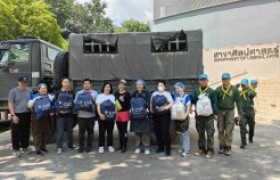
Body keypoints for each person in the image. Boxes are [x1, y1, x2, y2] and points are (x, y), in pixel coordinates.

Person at [215, 73, 243, 156]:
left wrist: (240, 114)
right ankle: (221, 146)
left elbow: (238, 102)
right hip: (220, 111)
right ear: (222, 79)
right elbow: (215, 102)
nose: (225, 80)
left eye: (227, 79)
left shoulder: (234, 90)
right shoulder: (218, 89)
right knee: (220, 129)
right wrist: (215, 113)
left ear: (230, 79)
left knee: (229, 129)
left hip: (230, 112)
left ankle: (227, 147)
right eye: (224, 79)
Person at [191, 74, 217, 158]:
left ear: (207, 80)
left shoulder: (212, 92)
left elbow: (214, 103)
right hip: (199, 117)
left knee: (210, 133)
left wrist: (213, 113)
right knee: (200, 133)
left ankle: (210, 150)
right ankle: (202, 149)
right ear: (199, 81)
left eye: (204, 79)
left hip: (209, 117)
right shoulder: (196, 91)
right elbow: (192, 100)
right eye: (201, 80)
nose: (203, 81)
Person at [28, 83, 54, 158]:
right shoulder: (34, 96)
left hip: (46, 117)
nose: (43, 90)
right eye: (41, 88)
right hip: (37, 118)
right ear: (38, 90)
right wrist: (34, 100)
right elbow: (29, 105)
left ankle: (43, 147)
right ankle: (38, 150)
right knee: (37, 133)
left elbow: (53, 105)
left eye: (45, 88)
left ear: (47, 89)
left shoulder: (50, 96)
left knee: (45, 133)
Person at [8, 76, 32, 157]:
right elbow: (10, 103)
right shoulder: (13, 91)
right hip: (17, 114)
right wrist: (13, 115)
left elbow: (31, 102)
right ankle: (16, 149)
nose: (24, 84)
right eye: (22, 82)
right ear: (18, 82)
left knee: (26, 131)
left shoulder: (29, 91)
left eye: (25, 82)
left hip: (27, 114)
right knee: (15, 132)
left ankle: (25, 147)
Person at [150, 80, 174, 156]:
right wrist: (151, 109)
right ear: (157, 86)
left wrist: (166, 108)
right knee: (157, 132)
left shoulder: (167, 94)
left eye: (162, 85)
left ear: (164, 86)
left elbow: (171, 103)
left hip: (165, 116)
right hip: (156, 115)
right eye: (159, 85)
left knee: (165, 132)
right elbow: (151, 102)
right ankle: (160, 147)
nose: (160, 87)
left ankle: (168, 149)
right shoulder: (154, 93)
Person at [74, 79, 98, 153]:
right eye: (85, 83)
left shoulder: (94, 93)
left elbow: (97, 104)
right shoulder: (79, 93)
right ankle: (81, 147)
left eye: (88, 83)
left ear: (91, 85)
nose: (87, 85)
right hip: (81, 116)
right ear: (83, 85)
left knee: (90, 132)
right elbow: (75, 103)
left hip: (91, 116)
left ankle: (89, 146)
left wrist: (92, 99)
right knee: (81, 132)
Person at [55, 77, 76, 155]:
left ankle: (70, 145)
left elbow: (73, 103)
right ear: (62, 83)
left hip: (69, 115)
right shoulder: (58, 92)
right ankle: (59, 147)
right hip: (60, 116)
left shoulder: (72, 92)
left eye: (67, 82)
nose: (66, 84)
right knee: (60, 132)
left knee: (70, 131)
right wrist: (58, 111)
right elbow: (55, 103)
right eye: (65, 82)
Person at [130, 80, 151, 155]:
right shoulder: (133, 94)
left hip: (144, 115)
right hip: (135, 115)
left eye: (141, 84)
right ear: (136, 86)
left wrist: (147, 109)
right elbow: (131, 104)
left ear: (143, 85)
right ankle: (138, 147)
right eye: (138, 84)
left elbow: (149, 103)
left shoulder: (147, 93)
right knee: (137, 131)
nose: (139, 86)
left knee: (145, 131)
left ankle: (146, 147)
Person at [172, 82, 191, 157]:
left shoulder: (186, 96)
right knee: (179, 133)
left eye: (179, 88)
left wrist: (185, 116)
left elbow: (188, 107)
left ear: (182, 88)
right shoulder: (175, 96)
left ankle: (187, 151)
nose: (177, 90)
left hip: (184, 118)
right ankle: (182, 148)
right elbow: (173, 106)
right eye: (176, 89)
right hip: (177, 118)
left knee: (185, 134)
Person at [96, 82, 116, 154]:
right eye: (106, 87)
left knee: (110, 132)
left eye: (109, 87)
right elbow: (98, 105)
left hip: (111, 117)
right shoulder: (100, 96)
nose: (107, 88)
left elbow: (115, 107)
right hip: (102, 117)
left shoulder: (112, 96)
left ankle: (110, 145)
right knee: (101, 132)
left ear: (110, 89)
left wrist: (115, 115)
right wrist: (100, 114)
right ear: (103, 88)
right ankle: (101, 146)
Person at [239, 79, 257, 148]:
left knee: (251, 126)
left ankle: (250, 137)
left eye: (244, 84)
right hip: (243, 111)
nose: (243, 86)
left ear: (247, 85)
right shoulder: (240, 92)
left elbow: (253, 93)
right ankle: (243, 143)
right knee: (242, 126)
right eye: (242, 84)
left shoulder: (250, 92)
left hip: (250, 111)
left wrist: (248, 88)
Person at [115, 79, 131, 153]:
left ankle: (124, 146)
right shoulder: (116, 93)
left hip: (125, 113)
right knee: (119, 130)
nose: (121, 85)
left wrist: (123, 100)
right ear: (118, 85)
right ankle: (121, 145)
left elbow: (129, 105)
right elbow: (115, 103)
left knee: (124, 130)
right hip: (118, 113)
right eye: (120, 84)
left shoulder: (127, 94)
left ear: (125, 86)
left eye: (123, 84)